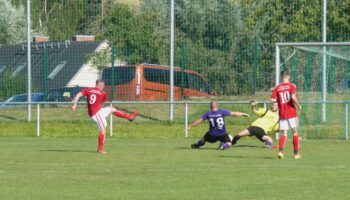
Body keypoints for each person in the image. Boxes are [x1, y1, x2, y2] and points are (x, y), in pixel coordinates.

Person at [71, 79, 138, 154]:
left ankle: (129, 117)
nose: (103, 87)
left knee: (111, 109)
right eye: (103, 85)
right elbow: (101, 102)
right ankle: (100, 149)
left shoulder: (88, 90)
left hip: (97, 111)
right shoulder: (103, 93)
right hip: (96, 113)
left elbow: (78, 95)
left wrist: (75, 104)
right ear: (100, 85)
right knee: (103, 130)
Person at [271, 70, 302, 159]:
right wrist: (298, 105)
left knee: (284, 133)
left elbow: (272, 100)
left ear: (281, 77)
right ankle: (296, 154)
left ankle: (281, 152)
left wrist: (278, 103)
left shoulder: (277, 87)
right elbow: (293, 97)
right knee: (295, 132)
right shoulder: (291, 86)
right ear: (288, 76)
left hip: (282, 113)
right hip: (291, 112)